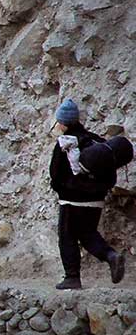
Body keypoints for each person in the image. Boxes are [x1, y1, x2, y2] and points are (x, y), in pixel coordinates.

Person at [49, 98, 125, 290]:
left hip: (71, 201)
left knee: (67, 237)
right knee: (88, 234)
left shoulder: (64, 143)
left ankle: (72, 277)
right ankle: (111, 256)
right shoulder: (96, 141)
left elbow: (55, 174)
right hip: (96, 201)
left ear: (62, 122)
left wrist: (63, 189)